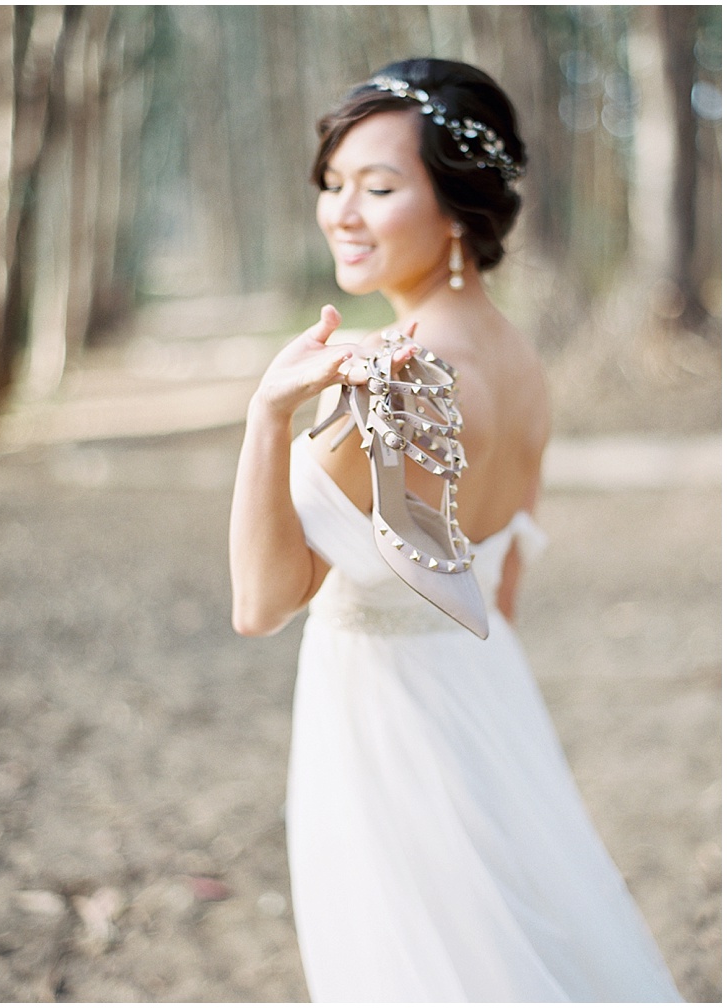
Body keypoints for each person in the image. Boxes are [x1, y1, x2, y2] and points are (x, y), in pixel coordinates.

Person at [228, 58, 682, 1000]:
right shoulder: (519, 358)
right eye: (333, 184)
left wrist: (267, 418)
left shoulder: (393, 381)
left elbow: (262, 604)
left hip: (384, 726)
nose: (342, 212)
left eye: (380, 187)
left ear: (457, 208)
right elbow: (503, 584)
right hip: (490, 702)